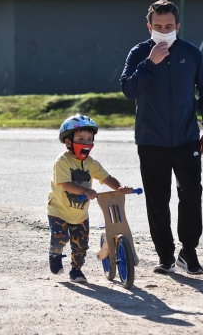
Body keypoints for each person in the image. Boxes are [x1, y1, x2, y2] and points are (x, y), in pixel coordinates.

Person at [120, 0, 203, 275]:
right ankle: (165, 256)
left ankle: (189, 252)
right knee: (157, 200)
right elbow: (129, 89)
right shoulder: (139, 53)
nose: (164, 30)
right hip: (151, 141)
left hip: (187, 140)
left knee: (191, 195)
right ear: (149, 26)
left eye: (169, 26)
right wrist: (151, 63)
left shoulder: (191, 53)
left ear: (178, 26)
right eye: (159, 26)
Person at [47, 114, 133, 283]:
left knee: (81, 246)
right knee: (60, 238)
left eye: (89, 139)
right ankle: (55, 254)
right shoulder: (62, 161)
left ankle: (76, 270)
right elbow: (66, 184)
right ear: (68, 142)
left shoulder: (91, 163)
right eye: (81, 139)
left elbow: (106, 177)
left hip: (80, 215)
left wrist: (119, 188)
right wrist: (85, 192)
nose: (86, 143)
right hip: (59, 210)